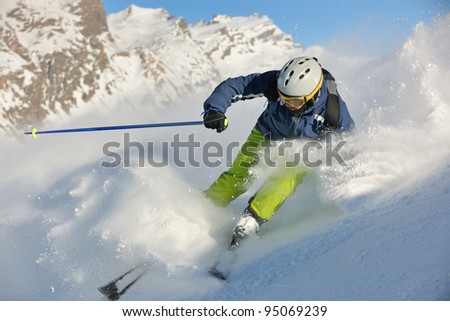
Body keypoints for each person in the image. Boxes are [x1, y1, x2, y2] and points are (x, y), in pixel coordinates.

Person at [202, 56, 354, 244]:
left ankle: (251, 221)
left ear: (312, 96)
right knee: (239, 174)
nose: (288, 105)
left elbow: (348, 142)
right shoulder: (276, 82)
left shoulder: (334, 112)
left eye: (295, 102)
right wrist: (214, 109)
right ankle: (204, 206)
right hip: (268, 131)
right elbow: (235, 86)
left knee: (286, 176)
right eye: (283, 99)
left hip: (305, 148)